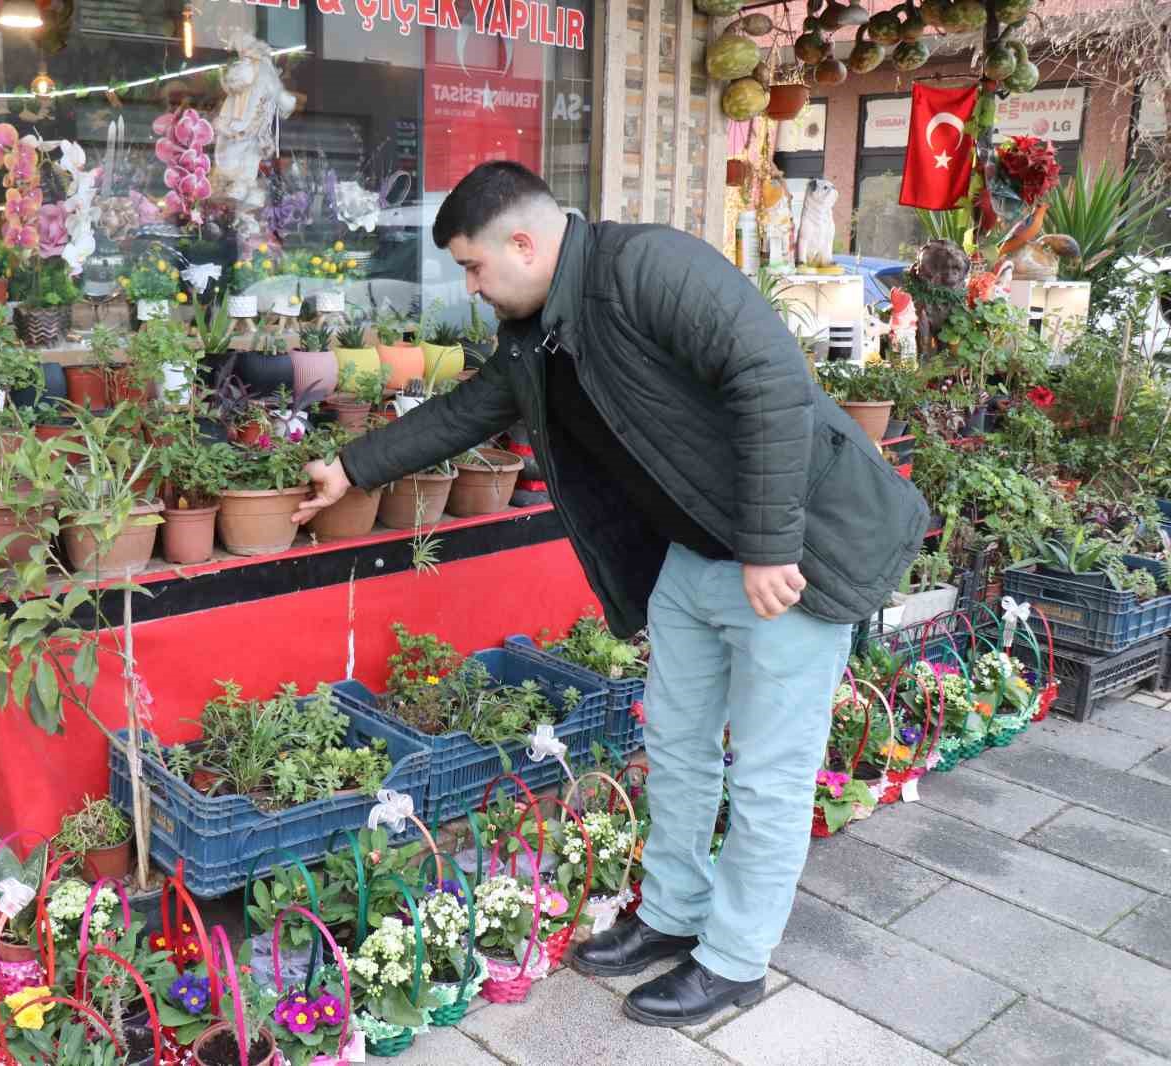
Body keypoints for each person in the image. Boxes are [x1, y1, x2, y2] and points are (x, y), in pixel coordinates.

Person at [292, 162, 928, 1027]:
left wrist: (772, 546)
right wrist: (352, 468)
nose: (472, 288)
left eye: (475, 268)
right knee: (676, 747)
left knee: (771, 775)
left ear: (524, 243)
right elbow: (474, 409)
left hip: (789, 562)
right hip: (694, 561)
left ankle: (736, 960)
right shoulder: (535, 330)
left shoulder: (651, 268)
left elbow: (769, 380)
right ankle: (672, 915)